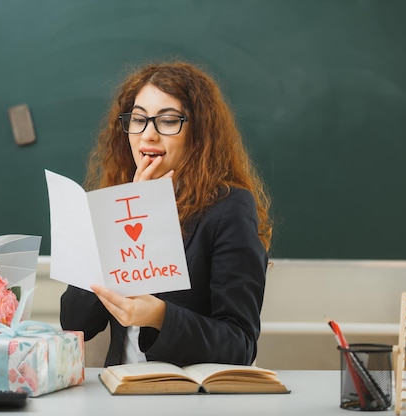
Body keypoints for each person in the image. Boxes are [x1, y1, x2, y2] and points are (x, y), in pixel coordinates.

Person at [60, 61, 273, 367]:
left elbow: (239, 344)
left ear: (197, 132)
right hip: (121, 393)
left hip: (189, 397)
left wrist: (159, 316)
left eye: (168, 121)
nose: (148, 135)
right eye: (138, 120)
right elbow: (75, 321)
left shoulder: (230, 208)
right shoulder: (115, 202)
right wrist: (119, 221)